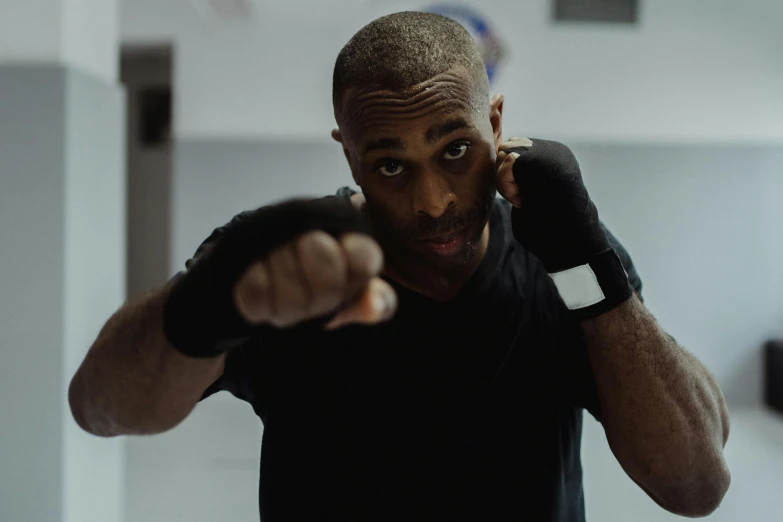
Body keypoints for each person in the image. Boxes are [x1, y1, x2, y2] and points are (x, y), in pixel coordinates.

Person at [69, 11, 731, 522]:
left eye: (454, 150)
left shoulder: (560, 254)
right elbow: (101, 409)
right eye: (389, 165)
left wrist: (590, 264)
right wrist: (204, 301)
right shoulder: (295, 275)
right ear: (348, 155)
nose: (432, 202)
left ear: (495, 124)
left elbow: (694, 484)